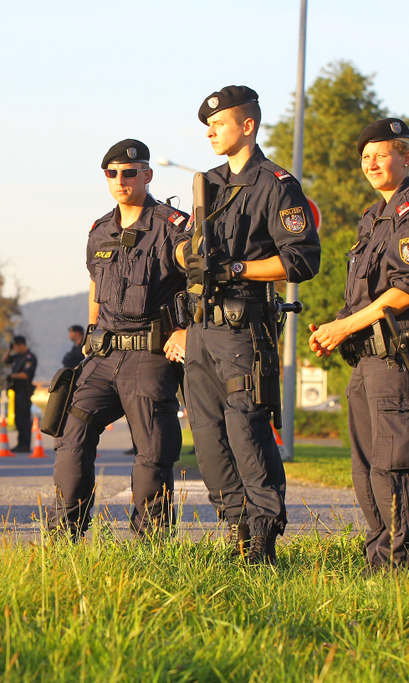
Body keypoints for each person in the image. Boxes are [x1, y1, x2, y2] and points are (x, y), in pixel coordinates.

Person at [176, 87, 321, 564]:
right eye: (208, 126)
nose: (211, 131)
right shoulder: (208, 184)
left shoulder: (277, 184)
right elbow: (185, 248)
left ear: (248, 126)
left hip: (244, 327)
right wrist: (186, 254)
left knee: (246, 430)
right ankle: (236, 527)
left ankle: (263, 537)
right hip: (200, 326)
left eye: (219, 124)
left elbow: (301, 260)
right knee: (208, 433)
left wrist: (236, 269)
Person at [308, 118, 409, 572]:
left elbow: (407, 290)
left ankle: (402, 570)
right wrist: (336, 328)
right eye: (365, 157)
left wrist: (344, 328)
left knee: (395, 466)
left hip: (398, 359)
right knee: (366, 471)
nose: (372, 163)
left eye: (381, 154)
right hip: (367, 362)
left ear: (406, 157)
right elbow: (366, 295)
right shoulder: (374, 218)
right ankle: (378, 564)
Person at [47, 139, 190, 539]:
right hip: (103, 356)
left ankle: (151, 545)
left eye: (130, 173)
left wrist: (185, 330)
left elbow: (199, 280)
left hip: (150, 356)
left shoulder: (172, 226)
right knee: (70, 434)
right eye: (112, 173)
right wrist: (89, 338)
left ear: (147, 175)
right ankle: (63, 539)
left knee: (153, 452)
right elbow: (95, 288)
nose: (121, 180)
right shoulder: (99, 231)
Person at [2, 336, 37, 453]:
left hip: (25, 391)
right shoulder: (17, 357)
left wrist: (12, 376)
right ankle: (20, 443)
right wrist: (9, 349)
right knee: (18, 418)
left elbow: (26, 375)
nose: (15, 349)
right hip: (17, 391)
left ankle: (25, 444)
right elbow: (4, 360)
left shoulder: (30, 358)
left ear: (22, 345)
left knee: (24, 418)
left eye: (16, 347)